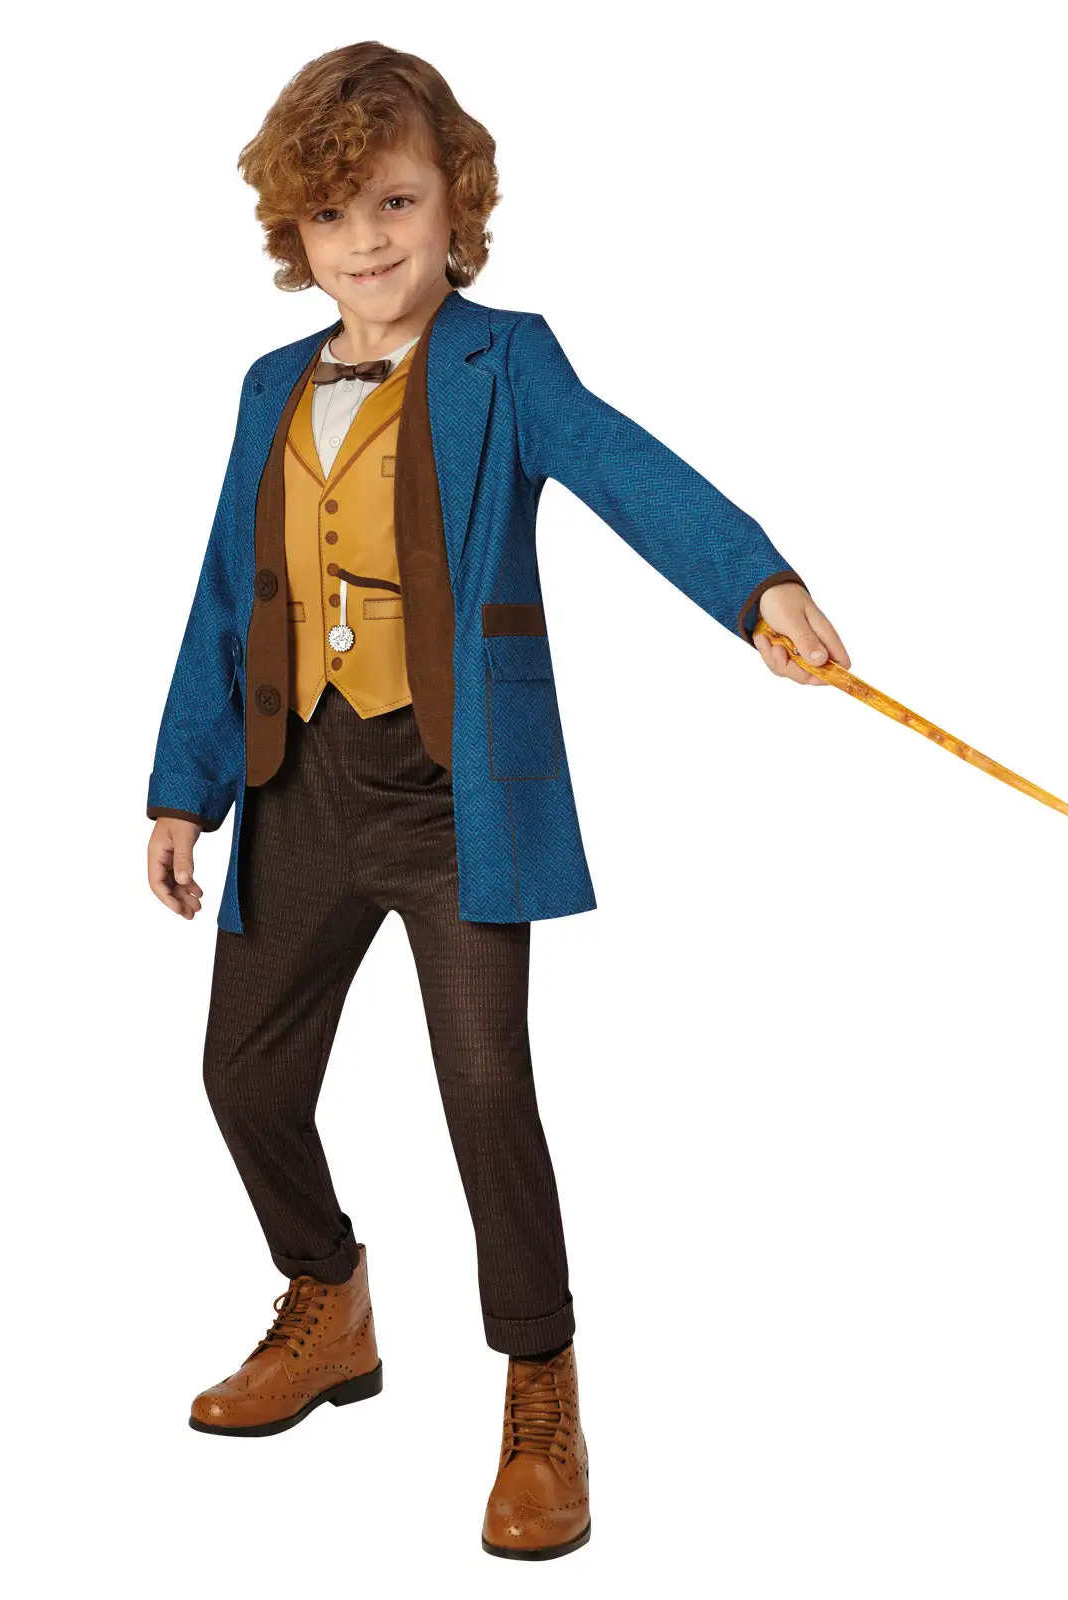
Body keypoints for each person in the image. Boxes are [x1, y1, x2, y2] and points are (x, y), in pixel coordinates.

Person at [145, 40, 851, 1560]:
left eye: (397, 202)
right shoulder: (269, 387)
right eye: (332, 215)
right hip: (297, 783)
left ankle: (541, 1386)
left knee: (483, 1091)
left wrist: (758, 586)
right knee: (243, 1078)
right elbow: (224, 594)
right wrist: (183, 788)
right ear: (295, 233)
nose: (368, 241)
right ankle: (328, 1298)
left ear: (456, 203)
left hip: (452, 792)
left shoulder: (504, 361)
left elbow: (630, 470)